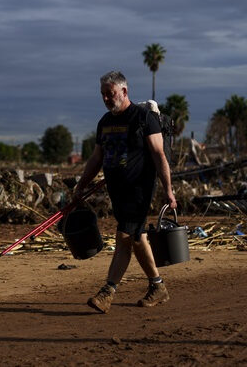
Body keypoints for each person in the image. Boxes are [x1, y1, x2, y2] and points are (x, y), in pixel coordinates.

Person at [72, 70, 176, 313]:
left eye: (110, 94)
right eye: (103, 95)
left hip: (139, 189)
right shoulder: (105, 122)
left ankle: (108, 291)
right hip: (116, 191)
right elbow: (97, 157)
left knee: (124, 236)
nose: (107, 99)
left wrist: (168, 191)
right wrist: (81, 186)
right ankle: (158, 286)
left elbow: (159, 155)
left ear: (124, 91)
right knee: (137, 238)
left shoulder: (143, 118)